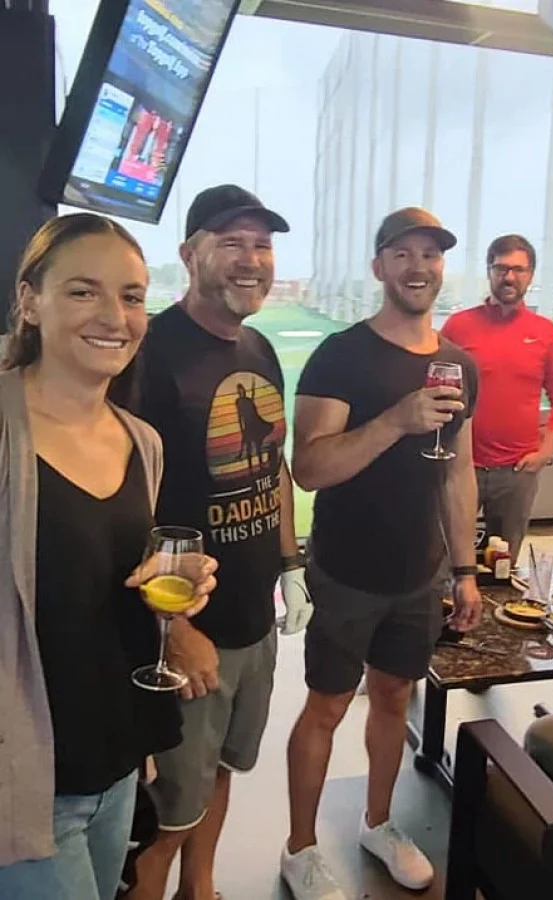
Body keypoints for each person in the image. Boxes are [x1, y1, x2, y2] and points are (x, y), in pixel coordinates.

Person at [0, 213, 217, 900]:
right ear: (30, 301)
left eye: (131, 296)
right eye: (83, 292)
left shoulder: (140, 441)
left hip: (118, 760)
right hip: (28, 785)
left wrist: (171, 605)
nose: (115, 316)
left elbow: (105, 587)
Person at [280, 206, 482, 899]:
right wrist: (395, 421)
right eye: (403, 254)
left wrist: (464, 571)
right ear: (379, 267)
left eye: (430, 255)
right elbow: (309, 467)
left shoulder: (460, 366)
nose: (418, 267)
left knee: (395, 698)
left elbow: (458, 471)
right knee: (328, 708)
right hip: (346, 571)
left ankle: (378, 822)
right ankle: (300, 848)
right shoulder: (341, 354)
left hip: (418, 574)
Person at [124, 184, 313, 900]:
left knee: (225, 770)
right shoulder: (152, 355)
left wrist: (291, 565)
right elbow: (120, 508)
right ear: (189, 253)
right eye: (231, 242)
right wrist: (173, 629)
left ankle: (201, 890)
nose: (251, 259)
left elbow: (272, 466)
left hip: (252, 620)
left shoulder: (260, 347)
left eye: (261, 244)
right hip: (188, 630)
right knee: (169, 813)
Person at [442, 234, 553, 566]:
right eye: (501, 268)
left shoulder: (544, 333)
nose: (509, 277)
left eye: (518, 269)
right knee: (443, 561)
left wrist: (547, 450)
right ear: (489, 271)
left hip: (516, 472)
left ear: (530, 275)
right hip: (460, 467)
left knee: (501, 565)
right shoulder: (459, 326)